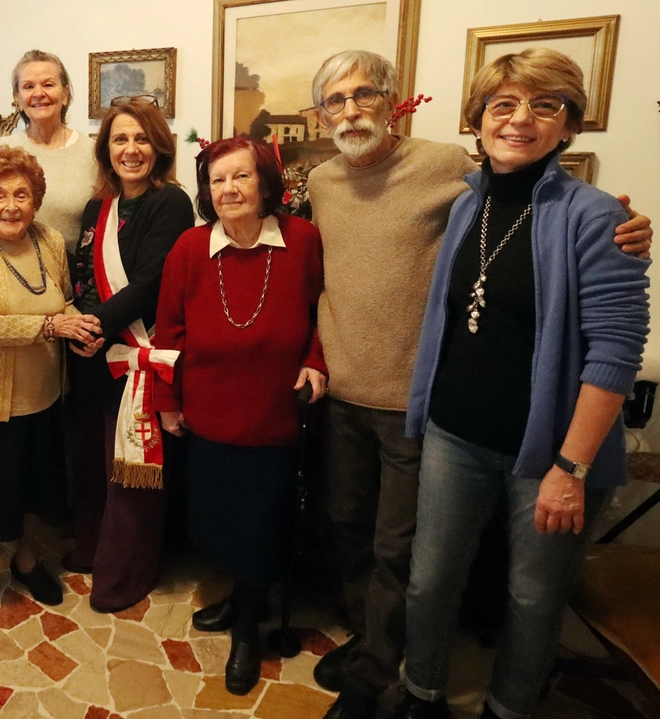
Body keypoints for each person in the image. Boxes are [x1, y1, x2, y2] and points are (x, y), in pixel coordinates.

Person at [301, 51, 653, 719]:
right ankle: (411, 682)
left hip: (492, 427)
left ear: (392, 101)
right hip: (424, 418)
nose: (519, 121)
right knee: (407, 564)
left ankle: (477, 698)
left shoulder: (460, 175)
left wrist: (629, 229)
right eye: (336, 100)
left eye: (364, 95)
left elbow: (612, 342)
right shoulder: (443, 198)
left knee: (518, 589)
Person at [155, 136, 326, 694]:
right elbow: (169, 332)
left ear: (266, 184)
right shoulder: (188, 247)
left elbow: (327, 312)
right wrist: (168, 400)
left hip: (276, 414)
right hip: (207, 413)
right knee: (217, 518)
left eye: (241, 177)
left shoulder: (302, 241)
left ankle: (249, 626)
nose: (228, 189)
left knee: (262, 520)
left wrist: (315, 360)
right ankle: (240, 597)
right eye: (217, 180)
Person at [0, 145, 102, 628]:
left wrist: (83, 328)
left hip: (41, 391)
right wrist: (51, 327)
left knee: (34, 483)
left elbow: (65, 302)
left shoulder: (50, 241)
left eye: (22, 195)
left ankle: (26, 559)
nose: (11, 205)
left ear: (36, 201)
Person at [63, 96, 195, 612]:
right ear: (106, 148)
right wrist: (81, 323)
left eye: (141, 139)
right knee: (93, 460)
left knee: (131, 468)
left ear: (158, 146)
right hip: (95, 351)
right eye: (120, 139)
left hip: (137, 351)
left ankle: (125, 572)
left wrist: (93, 324)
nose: (131, 149)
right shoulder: (98, 207)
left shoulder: (172, 202)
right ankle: (94, 548)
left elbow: (150, 283)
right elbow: (82, 274)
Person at [0, 50, 98, 252]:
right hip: (12, 272)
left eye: (48, 84)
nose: (38, 94)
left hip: (72, 276)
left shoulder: (93, 153)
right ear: (17, 98)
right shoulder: (0, 151)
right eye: (28, 87)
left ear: (65, 94)